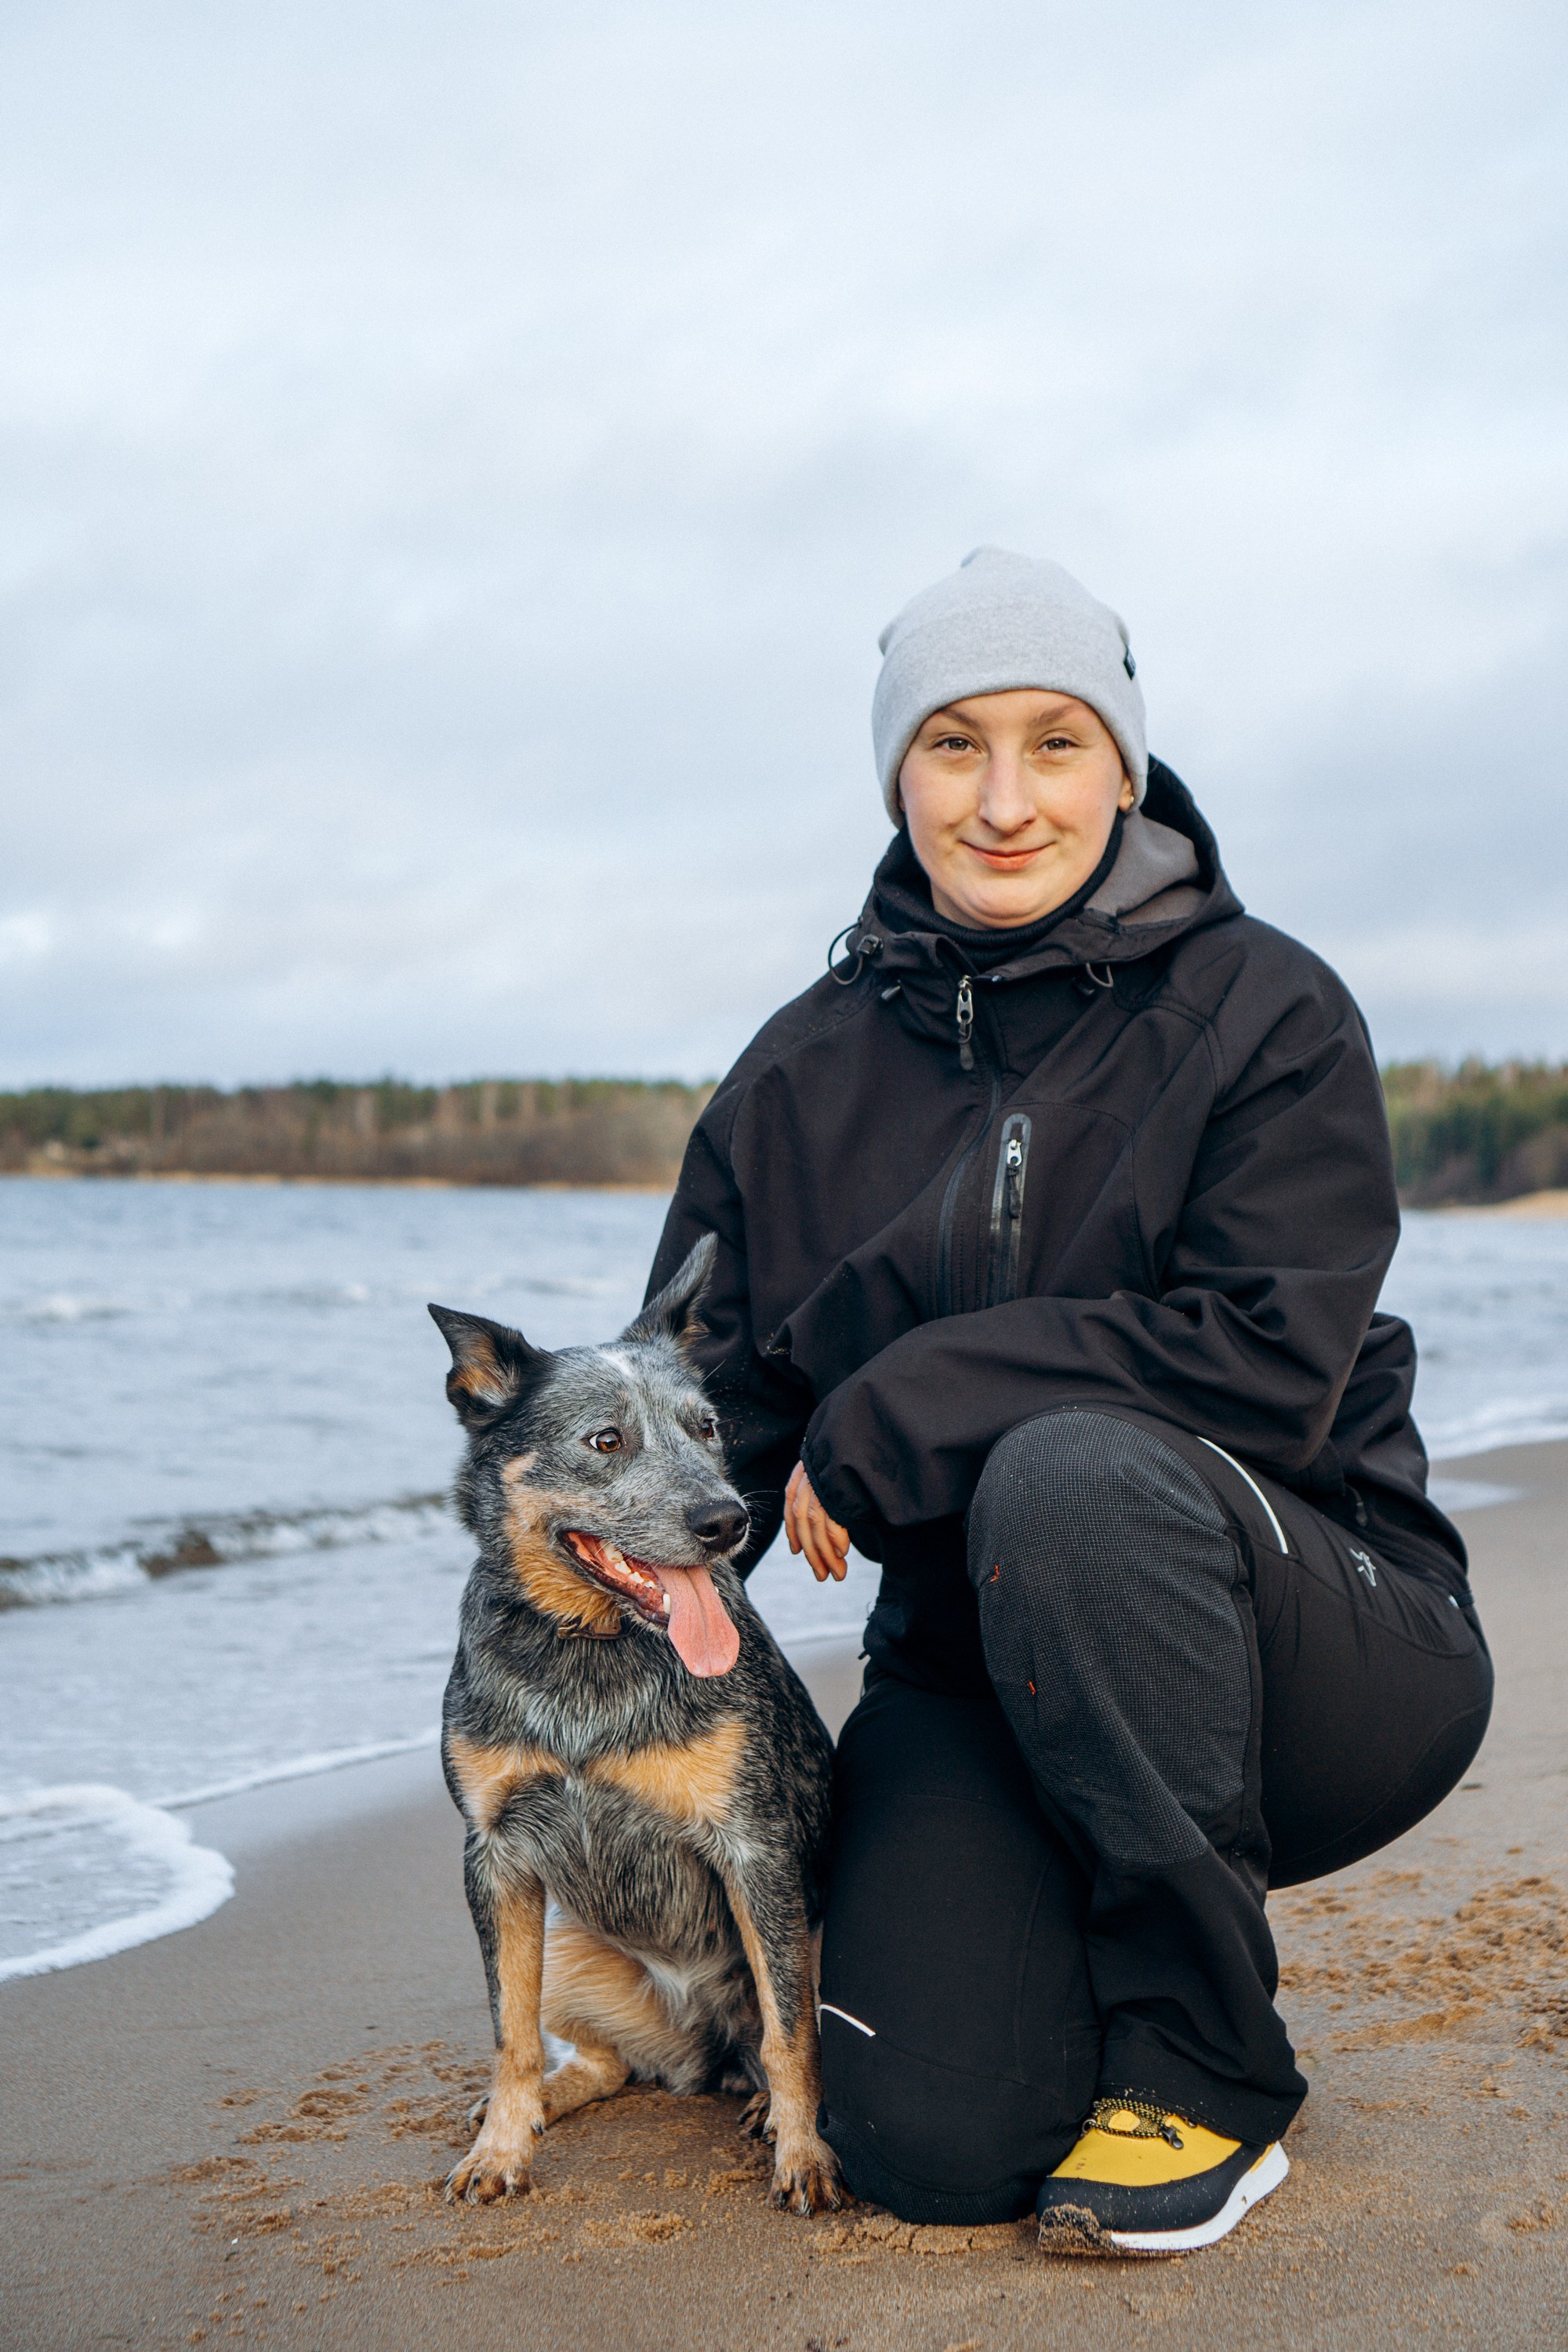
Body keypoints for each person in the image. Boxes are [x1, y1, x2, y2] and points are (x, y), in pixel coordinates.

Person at [644, 547, 1492, 2256]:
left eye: (1055, 742)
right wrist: (596, 1546)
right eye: (955, 745)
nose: (1007, 799)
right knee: (927, 2146)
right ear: (897, 772)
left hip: (1315, 1645)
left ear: (1125, 762)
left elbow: (1262, 1358)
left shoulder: (1265, 1011)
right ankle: (1055, 1977)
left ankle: (1208, 2062)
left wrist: (906, 1401)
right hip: (978, 1663)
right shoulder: (794, 1075)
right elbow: (692, 1420)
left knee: (1064, 1470)